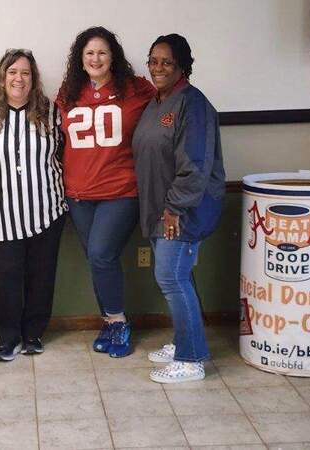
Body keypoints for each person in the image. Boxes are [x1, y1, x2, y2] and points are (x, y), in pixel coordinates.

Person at [56, 26, 155, 358]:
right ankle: (111, 321)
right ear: (80, 60)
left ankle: (118, 321)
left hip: (121, 190)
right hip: (79, 193)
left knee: (100, 254)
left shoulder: (137, 89)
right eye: (89, 53)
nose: (95, 58)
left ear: (113, 56)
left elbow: (165, 114)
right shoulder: (68, 93)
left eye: (101, 52)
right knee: (98, 259)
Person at [132, 34, 225, 383]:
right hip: (158, 207)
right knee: (177, 277)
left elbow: (195, 164)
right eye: (153, 60)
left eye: (166, 62)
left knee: (171, 277)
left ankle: (191, 359)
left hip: (182, 210)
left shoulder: (193, 104)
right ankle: (186, 340)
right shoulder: (157, 102)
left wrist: (174, 208)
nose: (158, 67)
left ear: (182, 66)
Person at [0, 49, 67, 362]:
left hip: (47, 210)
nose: (19, 78)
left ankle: (34, 334)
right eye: (12, 71)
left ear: (34, 79)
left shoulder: (51, 113)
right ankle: (8, 338)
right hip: (1, 214)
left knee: (42, 275)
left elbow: (66, 156)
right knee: (8, 278)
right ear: (2, 77)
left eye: (25, 73)